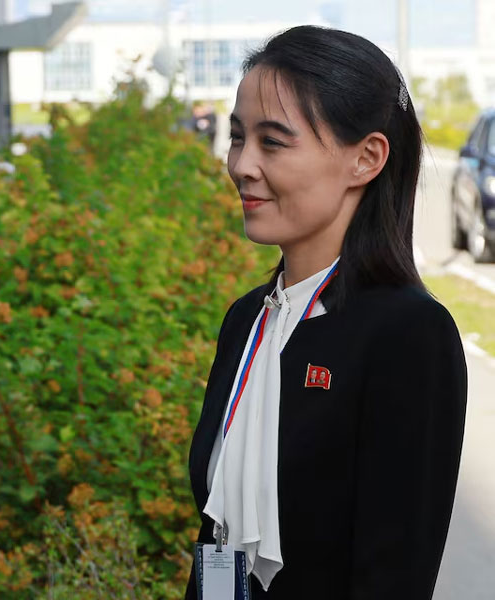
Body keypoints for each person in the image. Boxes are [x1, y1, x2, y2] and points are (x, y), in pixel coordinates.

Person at [185, 26, 467, 599]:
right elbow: (217, 544)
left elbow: (395, 576)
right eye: (238, 138)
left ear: (366, 158)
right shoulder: (248, 319)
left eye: (273, 141)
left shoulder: (408, 335)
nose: (241, 164)